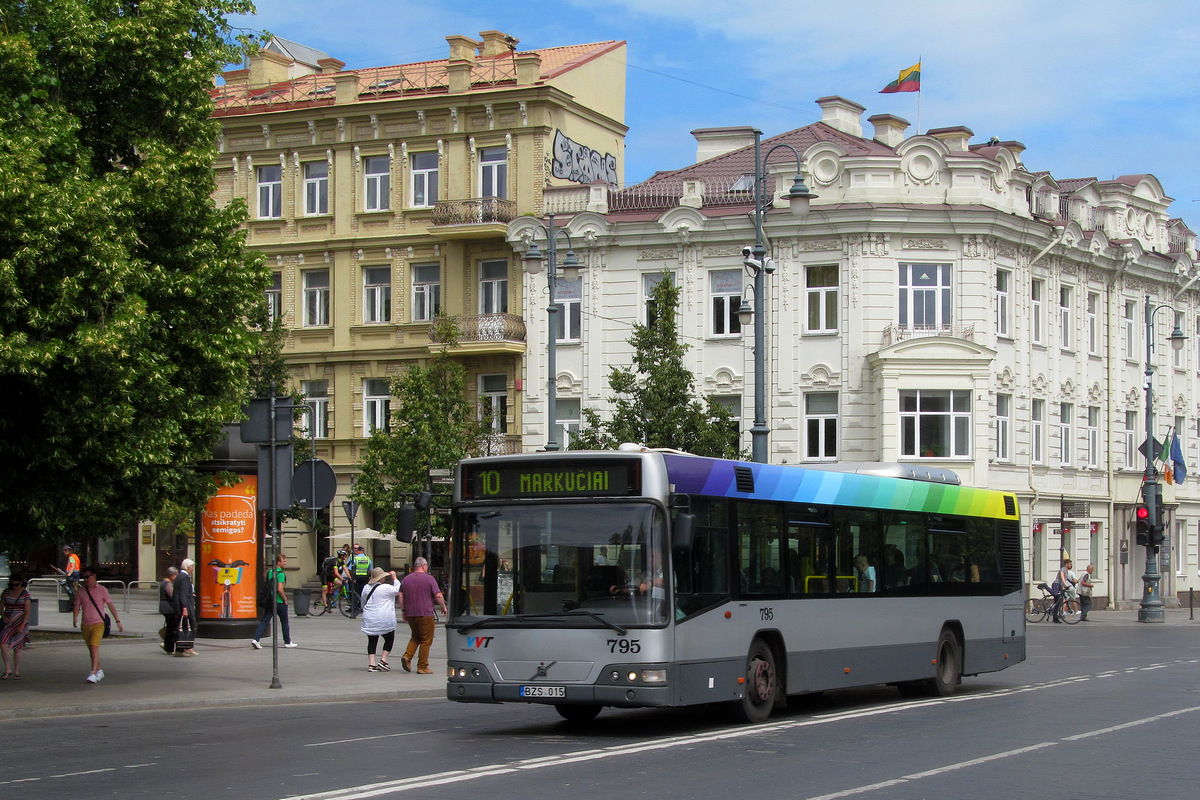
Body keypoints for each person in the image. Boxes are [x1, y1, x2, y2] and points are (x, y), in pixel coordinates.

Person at [73, 565, 124, 683]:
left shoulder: (102, 590)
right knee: (91, 649)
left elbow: (110, 605)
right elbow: (77, 605)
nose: (85, 580)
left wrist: (118, 621)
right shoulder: (81, 591)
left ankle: (93, 672)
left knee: (94, 647)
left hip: (98, 624)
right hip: (85, 624)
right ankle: (99, 670)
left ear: (94, 576)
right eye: (84, 577)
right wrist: (75, 618)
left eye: (87, 577)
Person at [398, 557, 447, 674]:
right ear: (424, 566)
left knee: (416, 636)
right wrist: (443, 607)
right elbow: (438, 595)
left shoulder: (406, 579)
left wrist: (404, 611)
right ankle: (422, 666)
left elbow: (400, 595)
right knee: (426, 639)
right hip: (425, 613)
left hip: (410, 613)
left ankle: (407, 656)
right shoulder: (429, 579)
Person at [252, 554, 297, 649]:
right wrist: (285, 598)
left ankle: (256, 639)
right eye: (284, 561)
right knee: (284, 621)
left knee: (265, 620)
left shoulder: (270, 572)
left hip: (270, 600)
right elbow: (280, 589)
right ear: (278, 562)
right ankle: (287, 641)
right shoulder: (280, 574)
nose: (286, 563)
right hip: (279, 601)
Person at [360, 567, 401, 672]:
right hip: (383, 617)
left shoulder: (366, 588)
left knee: (372, 640)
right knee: (389, 638)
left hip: (369, 617)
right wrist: (394, 578)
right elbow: (397, 589)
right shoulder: (386, 588)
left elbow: (363, 602)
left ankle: (371, 664)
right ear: (380, 578)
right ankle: (383, 660)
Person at [2, 573, 32, 680]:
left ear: (21, 583)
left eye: (17, 584)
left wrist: (23, 624)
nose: (15, 586)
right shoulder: (6, 592)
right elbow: (1, 606)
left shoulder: (25, 594)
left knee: (17, 648)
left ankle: (16, 670)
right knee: (3, 644)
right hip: (8, 622)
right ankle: (8, 669)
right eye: (13, 584)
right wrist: (4, 616)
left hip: (20, 622)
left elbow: (27, 610)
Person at [174, 558, 198, 656]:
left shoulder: (180, 576)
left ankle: (186, 647)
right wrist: (185, 608)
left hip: (181, 605)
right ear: (188, 567)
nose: (192, 569)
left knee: (184, 627)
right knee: (190, 626)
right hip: (185, 606)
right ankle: (183, 648)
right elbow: (183, 594)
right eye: (191, 567)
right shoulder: (184, 577)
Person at [1051, 558, 1078, 623]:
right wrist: (1065, 584)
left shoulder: (1067, 571)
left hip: (1060, 586)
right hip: (1056, 584)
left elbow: (1064, 580)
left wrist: (1064, 587)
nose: (1071, 565)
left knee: (1058, 602)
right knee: (1056, 598)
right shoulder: (1063, 569)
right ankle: (1046, 587)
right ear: (1066, 564)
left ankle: (1055, 618)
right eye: (1070, 564)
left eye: (1071, 564)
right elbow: (1062, 577)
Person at [159, 567, 179, 654]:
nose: (176, 576)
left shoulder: (164, 582)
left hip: (165, 607)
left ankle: (167, 644)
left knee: (170, 625)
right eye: (175, 575)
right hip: (168, 607)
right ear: (171, 575)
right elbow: (172, 595)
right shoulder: (167, 583)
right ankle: (168, 646)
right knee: (171, 627)